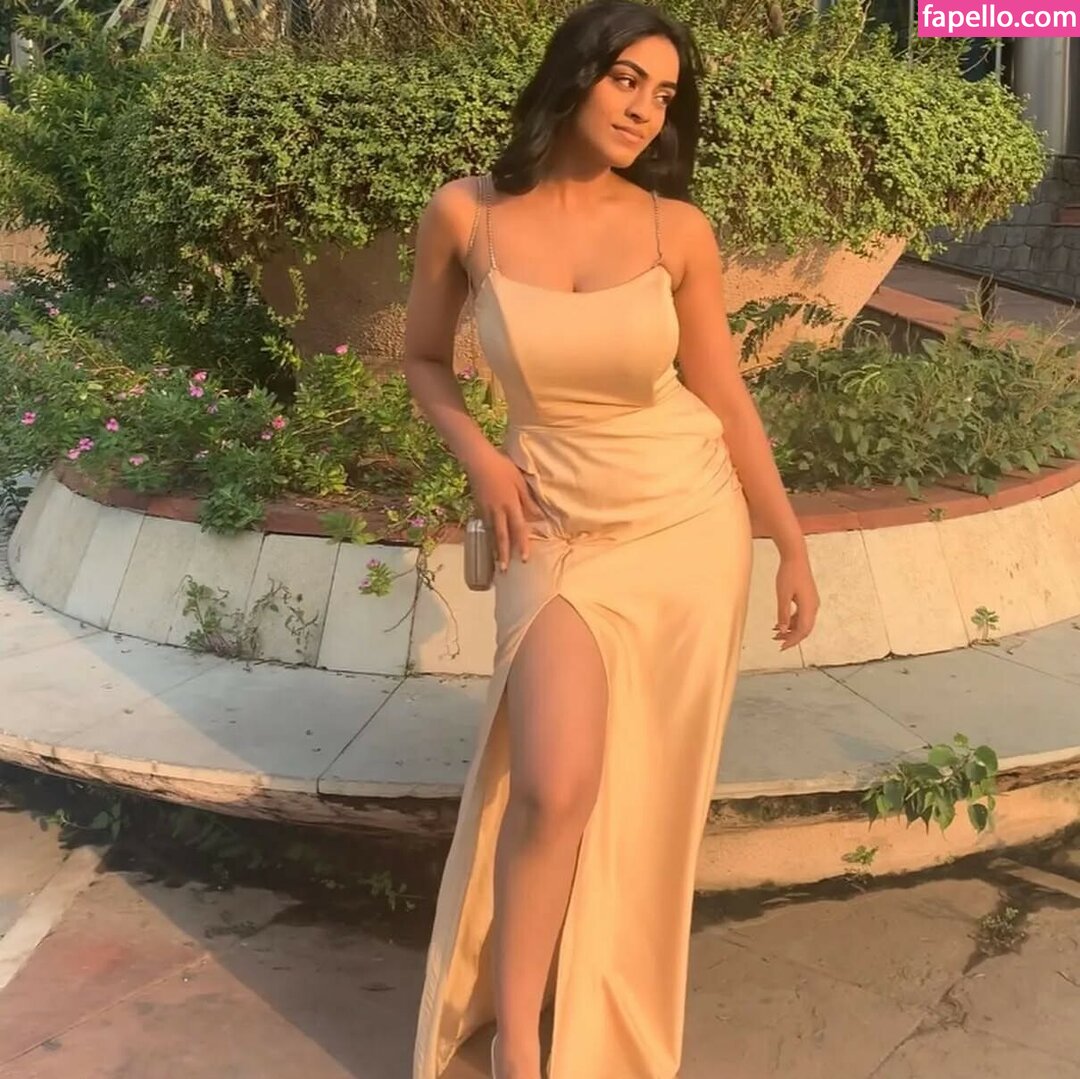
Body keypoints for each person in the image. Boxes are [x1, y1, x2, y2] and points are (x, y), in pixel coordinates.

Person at [403, 3, 819, 1076]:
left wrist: (788, 539)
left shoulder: (678, 232)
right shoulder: (464, 213)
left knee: (643, 792)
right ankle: (522, 1039)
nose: (645, 110)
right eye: (627, 80)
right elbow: (424, 360)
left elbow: (720, 392)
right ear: (575, 77)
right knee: (554, 783)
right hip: (550, 520)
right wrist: (481, 457)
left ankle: (585, 1018)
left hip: (684, 519)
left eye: (664, 95)